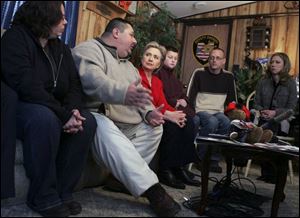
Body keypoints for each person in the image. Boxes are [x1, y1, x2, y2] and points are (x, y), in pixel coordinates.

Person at [72, 18, 181, 217]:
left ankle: (119, 178)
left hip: (127, 126)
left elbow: (142, 97)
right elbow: (93, 81)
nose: (134, 41)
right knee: (101, 123)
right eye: (131, 35)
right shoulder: (88, 49)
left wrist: (149, 112)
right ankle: (153, 191)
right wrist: (123, 94)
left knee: (156, 127)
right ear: (116, 33)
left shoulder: (130, 68)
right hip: (100, 121)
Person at [1, 2, 97, 217]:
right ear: (44, 15)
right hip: (21, 105)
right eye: (60, 16)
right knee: (44, 119)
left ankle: (63, 192)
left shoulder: (60, 48)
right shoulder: (14, 38)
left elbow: (73, 84)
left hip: (52, 106)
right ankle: (42, 196)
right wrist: (62, 114)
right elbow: (25, 85)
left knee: (88, 121)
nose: (66, 21)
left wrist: (73, 110)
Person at [139, 42, 200, 189]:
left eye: (155, 57)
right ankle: (165, 170)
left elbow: (163, 103)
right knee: (172, 127)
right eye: (148, 55)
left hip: (160, 112)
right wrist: (169, 115)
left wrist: (175, 114)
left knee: (187, 121)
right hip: (144, 114)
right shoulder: (136, 75)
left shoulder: (157, 81)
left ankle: (179, 167)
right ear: (142, 57)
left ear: (159, 62)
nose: (151, 59)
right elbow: (146, 104)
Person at [189, 48, 237, 173]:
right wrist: (191, 110)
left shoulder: (228, 76)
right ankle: (201, 158)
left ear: (223, 61)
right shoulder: (199, 73)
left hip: (218, 111)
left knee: (226, 122)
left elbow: (232, 100)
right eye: (211, 58)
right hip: (201, 109)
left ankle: (214, 159)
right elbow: (190, 95)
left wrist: (234, 111)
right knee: (212, 122)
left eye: (218, 58)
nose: (214, 60)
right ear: (208, 60)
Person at [253, 52, 297, 183]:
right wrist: (262, 111)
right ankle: (267, 171)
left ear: (285, 65)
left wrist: (275, 113)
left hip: (282, 119)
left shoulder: (290, 83)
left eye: (277, 62)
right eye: (272, 62)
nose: (273, 65)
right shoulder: (263, 81)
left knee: (271, 128)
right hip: (263, 117)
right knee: (262, 127)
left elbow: (292, 108)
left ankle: (273, 172)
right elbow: (256, 102)